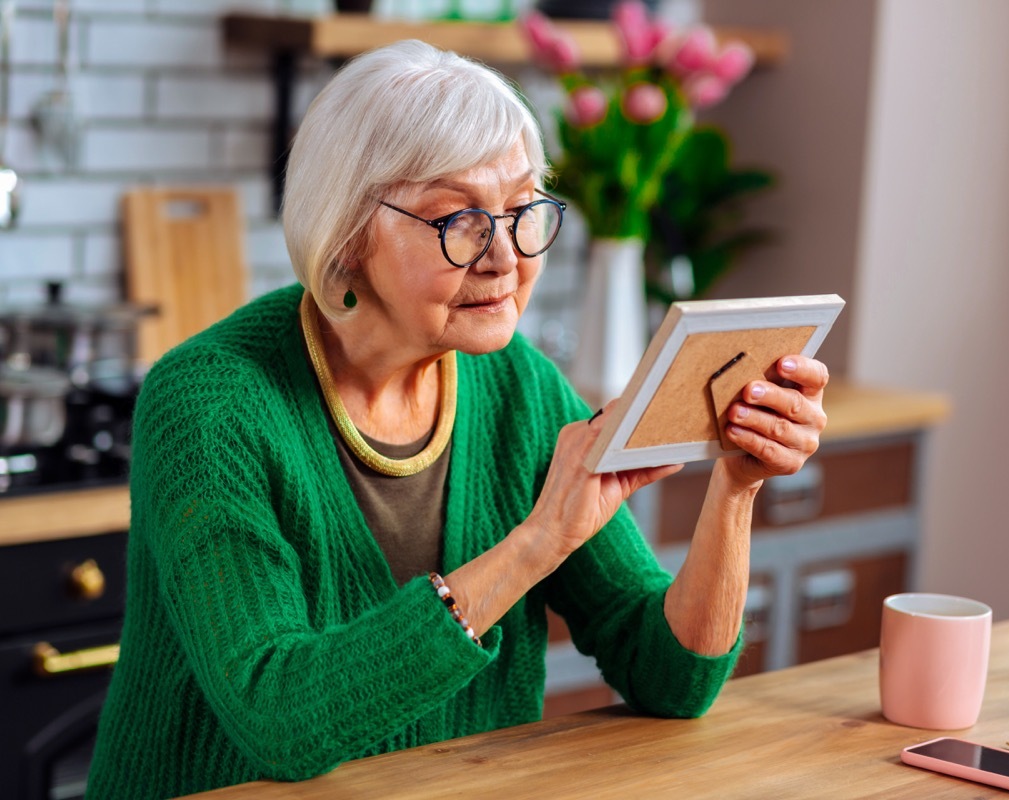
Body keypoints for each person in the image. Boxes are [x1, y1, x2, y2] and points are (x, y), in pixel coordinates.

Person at [87, 39, 828, 799]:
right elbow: (278, 716)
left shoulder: (521, 389)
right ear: (345, 242)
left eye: (520, 211)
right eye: (460, 221)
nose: (505, 257)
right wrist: (537, 544)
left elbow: (671, 679)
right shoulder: (209, 404)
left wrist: (736, 487)